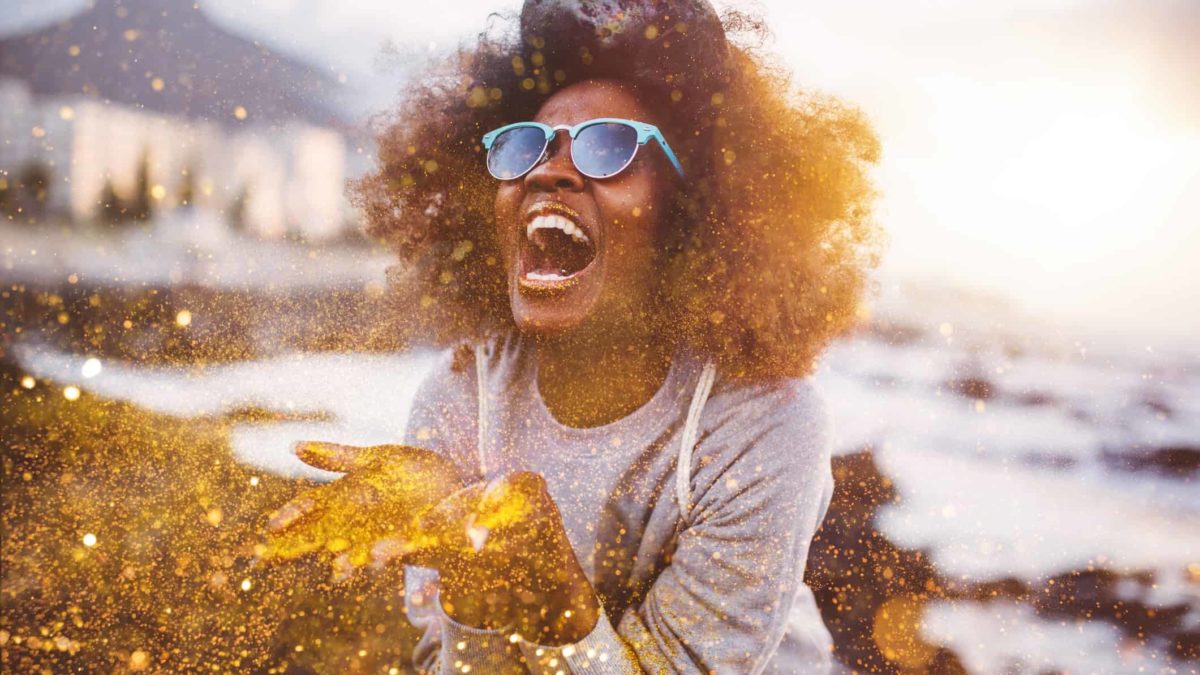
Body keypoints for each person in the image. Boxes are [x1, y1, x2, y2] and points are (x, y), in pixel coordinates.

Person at [269, 1, 879, 672]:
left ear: (694, 211)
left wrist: (558, 606)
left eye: (610, 145)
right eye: (523, 145)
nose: (546, 172)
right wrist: (473, 594)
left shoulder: (763, 422)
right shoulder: (460, 394)